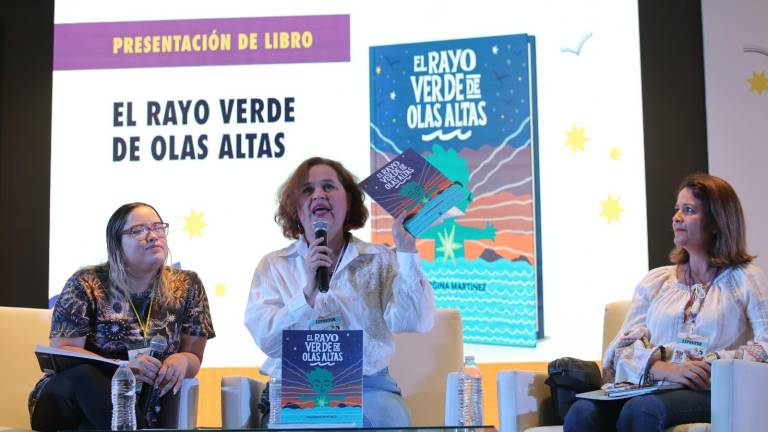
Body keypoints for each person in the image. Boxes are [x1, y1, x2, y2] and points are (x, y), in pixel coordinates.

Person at [565, 174, 768, 432]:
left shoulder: (746, 279)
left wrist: (712, 364)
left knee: (642, 410)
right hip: (653, 383)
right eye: (677, 209)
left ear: (717, 222)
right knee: (582, 412)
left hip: (708, 391)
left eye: (689, 210)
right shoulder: (657, 281)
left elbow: (766, 344)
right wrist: (665, 369)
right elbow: (622, 348)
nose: (677, 218)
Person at [244, 157, 435, 428]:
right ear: (295, 207)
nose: (318, 195)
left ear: (349, 202)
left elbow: (416, 321)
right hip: (295, 389)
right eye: (307, 190)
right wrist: (307, 293)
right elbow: (268, 340)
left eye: (328, 187)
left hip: (368, 388)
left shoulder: (379, 259)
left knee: (387, 419)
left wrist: (406, 252)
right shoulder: (274, 265)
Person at [29, 202, 215, 431]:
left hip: (135, 406)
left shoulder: (186, 286)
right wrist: (124, 367)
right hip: (66, 401)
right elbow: (64, 353)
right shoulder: (86, 283)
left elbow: (194, 356)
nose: (153, 235)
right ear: (116, 244)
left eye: (158, 227)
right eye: (138, 230)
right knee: (86, 377)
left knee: (91, 427)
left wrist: (183, 361)